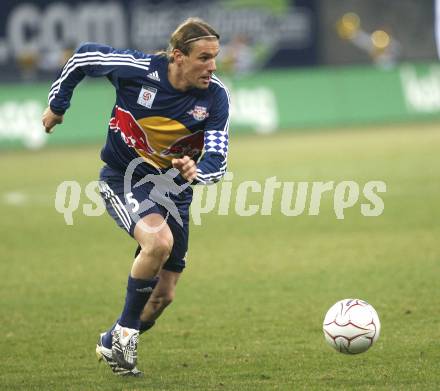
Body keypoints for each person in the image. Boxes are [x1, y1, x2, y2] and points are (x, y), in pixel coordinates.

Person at [42, 17, 230, 377]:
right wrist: (58, 106)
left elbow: (218, 160)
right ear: (177, 56)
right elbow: (83, 57)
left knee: (162, 297)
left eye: (215, 57)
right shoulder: (138, 70)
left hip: (175, 193)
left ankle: (113, 337)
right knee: (158, 242)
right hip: (124, 177)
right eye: (204, 58)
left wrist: (198, 172)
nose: (213, 66)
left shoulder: (216, 97)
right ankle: (126, 340)